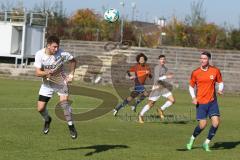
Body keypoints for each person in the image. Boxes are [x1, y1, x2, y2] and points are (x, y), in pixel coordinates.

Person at [34, 35, 77, 139]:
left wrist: (71, 75)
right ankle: (47, 119)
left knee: (64, 105)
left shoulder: (62, 54)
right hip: (47, 84)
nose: (56, 49)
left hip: (60, 82)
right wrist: (46, 72)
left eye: (58, 46)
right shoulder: (40, 54)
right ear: (48, 45)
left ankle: (71, 126)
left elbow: (73, 61)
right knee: (40, 109)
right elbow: (37, 73)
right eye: (54, 47)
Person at [186, 51, 224, 152]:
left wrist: (220, 89)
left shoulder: (215, 71)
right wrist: (194, 97)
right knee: (203, 125)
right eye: (201, 58)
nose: (202, 60)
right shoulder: (195, 72)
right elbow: (191, 86)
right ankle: (192, 139)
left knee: (216, 123)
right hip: (201, 102)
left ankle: (206, 143)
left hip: (212, 102)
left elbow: (220, 82)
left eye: (204, 58)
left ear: (208, 60)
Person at [138, 55, 175, 123]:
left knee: (172, 100)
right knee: (151, 104)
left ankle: (160, 109)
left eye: (164, 59)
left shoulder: (165, 68)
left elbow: (164, 78)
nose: (163, 60)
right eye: (161, 59)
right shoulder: (157, 68)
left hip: (163, 88)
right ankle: (140, 115)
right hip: (157, 88)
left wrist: (168, 79)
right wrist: (166, 76)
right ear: (159, 60)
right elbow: (158, 78)